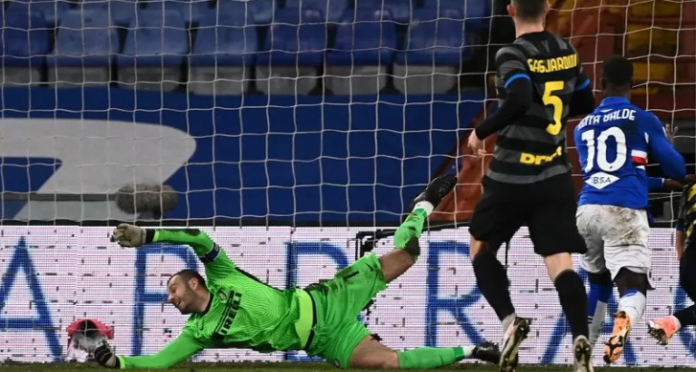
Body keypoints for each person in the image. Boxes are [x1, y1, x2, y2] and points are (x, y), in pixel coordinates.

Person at [93, 175, 501, 370]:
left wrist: (149, 236)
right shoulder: (198, 333)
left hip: (327, 298)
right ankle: (475, 351)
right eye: (169, 294)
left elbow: (198, 238)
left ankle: (423, 205)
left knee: (408, 252)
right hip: (326, 340)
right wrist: (113, 361)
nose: (171, 297)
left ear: (195, 281)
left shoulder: (220, 274)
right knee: (390, 365)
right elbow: (157, 363)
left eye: (174, 287)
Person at [466, 1, 597, 371]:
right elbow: (585, 101)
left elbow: (520, 97)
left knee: (481, 247)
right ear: (548, 8)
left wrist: (481, 130)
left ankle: (510, 324)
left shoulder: (512, 53)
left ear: (510, 9)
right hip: (554, 176)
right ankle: (580, 339)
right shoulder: (567, 49)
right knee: (560, 263)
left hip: (510, 178)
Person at [575, 56, 686, 364]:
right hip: (623, 212)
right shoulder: (642, 118)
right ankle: (622, 322)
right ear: (633, 84)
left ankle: (583, 356)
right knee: (632, 286)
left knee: (596, 283)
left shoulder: (582, 126)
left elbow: (615, 174)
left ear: (601, 84)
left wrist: (660, 183)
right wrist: (668, 145)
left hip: (586, 210)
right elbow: (677, 167)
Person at [646, 180, 696, 345]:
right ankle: (671, 322)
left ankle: (672, 323)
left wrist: (682, 261)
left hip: (689, 261)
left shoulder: (690, 189)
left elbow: (679, 229)